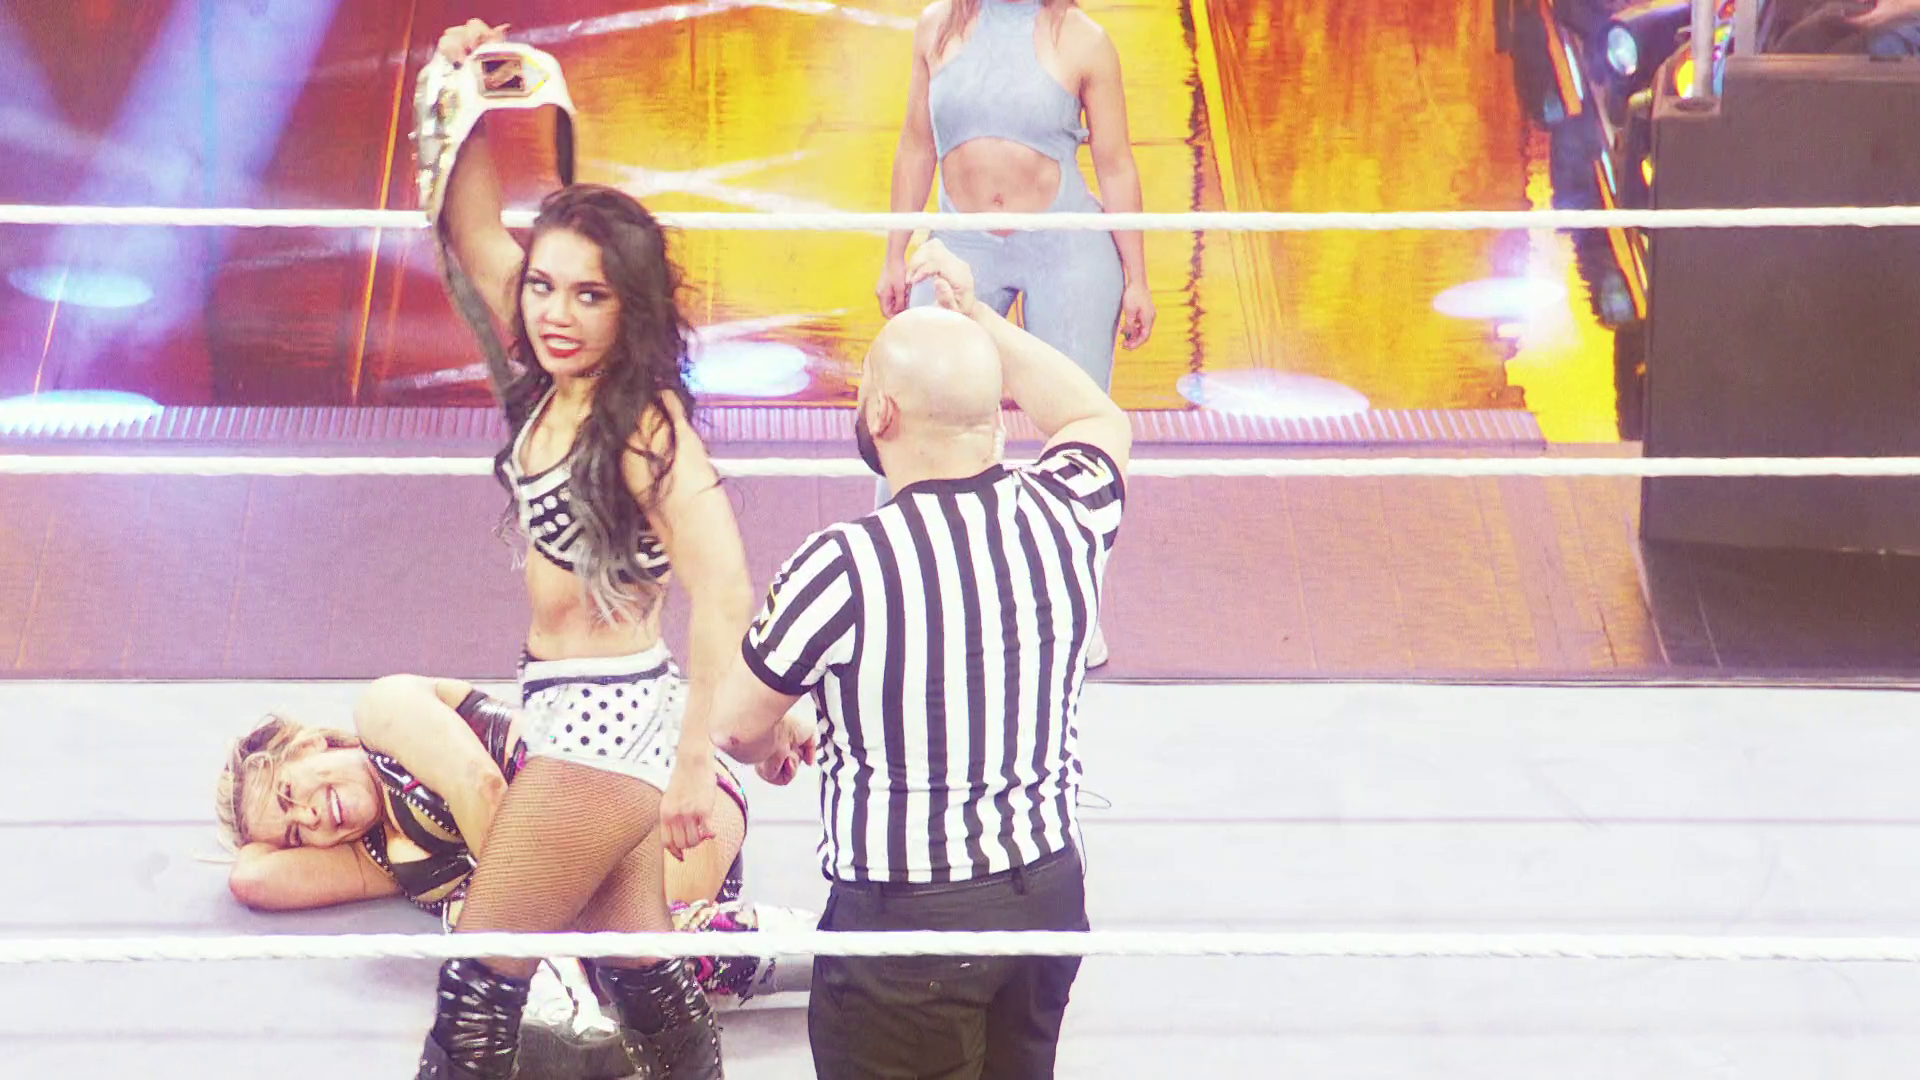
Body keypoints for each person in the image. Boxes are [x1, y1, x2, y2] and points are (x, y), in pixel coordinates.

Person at [407, 20, 756, 1080]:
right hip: (564, 708)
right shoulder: (544, 388)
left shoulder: (646, 428)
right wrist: (466, 90)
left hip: (613, 729)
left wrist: (693, 763)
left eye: (588, 294)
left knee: (479, 977)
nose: (555, 312)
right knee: (636, 960)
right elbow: (475, 234)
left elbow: (727, 591)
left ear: (628, 306)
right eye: (545, 285)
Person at [710, 238, 1130, 1078]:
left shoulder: (842, 565)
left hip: (906, 923)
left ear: (882, 414)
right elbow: (1098, 420)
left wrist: (784, 732)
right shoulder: (1069, 516)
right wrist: (980, 323)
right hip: (1046, 895)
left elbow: (734, 726)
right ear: (995, 414)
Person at [211, 676, 815, 1014]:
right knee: (623, 961)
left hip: (661, 798)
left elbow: (483, 786)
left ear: (310, 744)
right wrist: (264, 824)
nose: (312, 817)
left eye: (290, 793)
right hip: (639, 902)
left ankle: (747, 723)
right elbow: (252, 878)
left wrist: (534, 943)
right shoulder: (376, 857)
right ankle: (816, 947)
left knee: (503, 939)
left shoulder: (383, 712)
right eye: (297, 833)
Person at [874, 0, 1146, 668]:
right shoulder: (936, 27)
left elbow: (1115, 164)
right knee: (914, 412)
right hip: (961, 245)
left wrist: (1138, 277)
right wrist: (895, 253)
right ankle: (895, 594)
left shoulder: (1084, 40)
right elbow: (916, 145)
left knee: (1079, 428)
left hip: (1068, 249)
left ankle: (1076, 608)